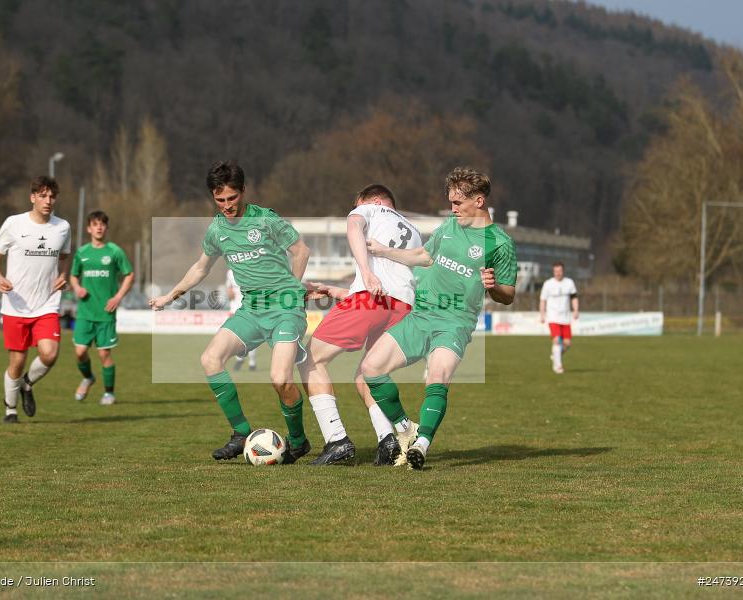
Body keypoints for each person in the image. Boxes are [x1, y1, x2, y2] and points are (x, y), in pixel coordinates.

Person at [149, 161, 313, 463]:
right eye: (220, 200)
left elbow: (301, 251)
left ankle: (299, 441)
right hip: (251, 309)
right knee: (210, 358)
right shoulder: (217, 229)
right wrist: (170, 296)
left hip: (284, 309)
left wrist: (293, 289)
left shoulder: (266, 220)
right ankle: (240, 434)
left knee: (280, 379)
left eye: (232, 198)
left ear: (243, 192)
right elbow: (200, 267)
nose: (227, 206)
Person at [360, 167, 517, 470]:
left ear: (479, 201)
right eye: (451, 202)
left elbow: (508, 294)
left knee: (438, 375)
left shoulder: (499, 243)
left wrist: (493, 286)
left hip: (455, 321)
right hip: (421, 315)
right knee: (371, 368)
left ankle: (422, 445)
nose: (452, 208)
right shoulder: (448, 227)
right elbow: (424, 257)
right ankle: (406, 429)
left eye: (458, 203)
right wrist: (382, 251)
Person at [300, 184, 422, 466]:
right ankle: (387, 439)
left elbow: (354, 227)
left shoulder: (368, 209)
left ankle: (336, 440)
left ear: (376, 201)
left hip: (372, 299)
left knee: (310, 360)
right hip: (402, 306)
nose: (354, 210)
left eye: (357, 204)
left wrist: (366, 273)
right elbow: (391, 281)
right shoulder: (413, 230)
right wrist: (334, 290)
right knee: (368, 373)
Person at [0, 176, 71, 424]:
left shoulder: (62, 227)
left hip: (47, 303)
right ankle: (10, 409)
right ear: (32, 197)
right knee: (18, 360)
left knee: (50, 353)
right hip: (16, 304)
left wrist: (63, 274)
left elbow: (65, 256)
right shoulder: (14, 223)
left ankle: (27, 384)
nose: (48, 201)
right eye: (42, 196)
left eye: (52, 196)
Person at [71, 211, 135, 404]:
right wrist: (77, 288)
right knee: (80, 352)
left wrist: (117, 297)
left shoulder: (114, 251)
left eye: (102, 224)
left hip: (106, 312)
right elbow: (73, 275)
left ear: (106, 228)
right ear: (88, 228)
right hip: (85, 312)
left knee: (103, 353)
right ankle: (88, 377)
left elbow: (129, 274)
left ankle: (109, 393)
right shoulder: (82, 253)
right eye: (95, 224)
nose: (99, 227)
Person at [539, 262, 579, 374]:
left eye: (560, 271)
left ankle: (555, 355)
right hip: (553, 317)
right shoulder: (548, 284)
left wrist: (576, 310)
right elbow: (543, 300)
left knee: (567, 344)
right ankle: (558, 366)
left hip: (566, 318)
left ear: (563, 271)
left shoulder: (569, 283)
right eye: (556, 271)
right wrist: (542, 314)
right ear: (553, 272)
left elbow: (574, 298)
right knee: (557, 341)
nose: (558, 273)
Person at [226, 269, 257, 371]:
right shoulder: (231, 272)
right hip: (236, 309)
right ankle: (242, 360)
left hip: (248, 309)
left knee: (250, 337)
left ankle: (251, 363)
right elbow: (229, 291)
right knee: (237, 337)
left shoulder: (252, 270)